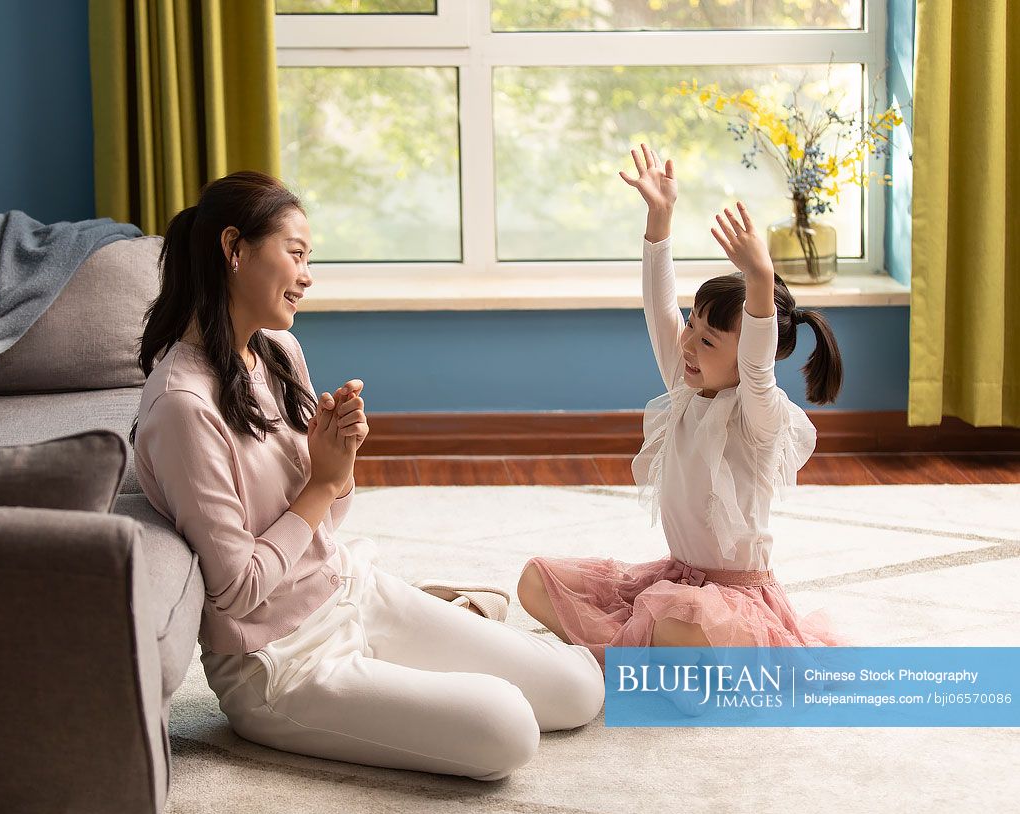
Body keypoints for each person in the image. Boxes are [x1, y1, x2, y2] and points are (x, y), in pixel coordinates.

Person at [133, 171, 604, 781]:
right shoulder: (183, 407)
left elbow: (325, 523)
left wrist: (340, 464)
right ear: (234, 249)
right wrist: (321, 484)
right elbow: (235, 590)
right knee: (508, 729)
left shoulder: (277, 353)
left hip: (350, 590)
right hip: (281, 663)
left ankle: (445, 624)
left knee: (578, 688)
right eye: (296, 254)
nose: (307, 275)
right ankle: (452, 624)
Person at [518, 145, 844, 664]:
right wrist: (659, 219)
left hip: (736, 602)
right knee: (536, 579)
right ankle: (643, 661)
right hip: (675, 581)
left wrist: (760, 279)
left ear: (746, 358)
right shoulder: (686, 382)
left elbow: (757, 366)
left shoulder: (760, 415)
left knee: (676, 622)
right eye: (692, 325)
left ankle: (630, 659)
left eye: (709, 340)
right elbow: (658, 305)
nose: (688, 344)